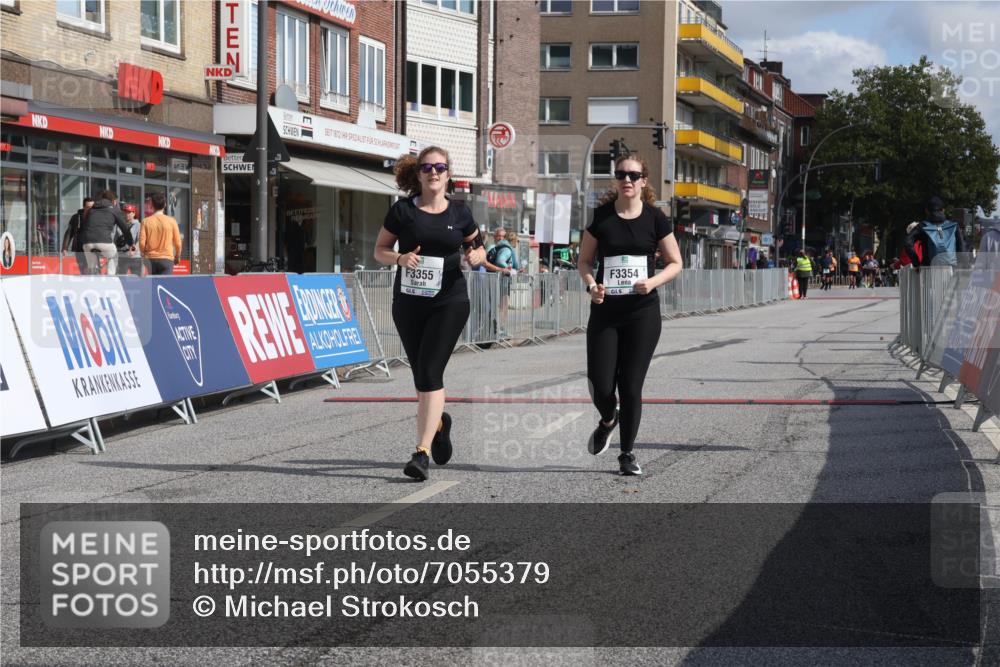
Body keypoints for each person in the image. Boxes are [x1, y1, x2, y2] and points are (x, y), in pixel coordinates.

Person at [374, 146, 486, 481]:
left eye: (439, 167)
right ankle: (439, 424)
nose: (433, 172)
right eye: (427, 168)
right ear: (418, 174)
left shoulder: (460, 212)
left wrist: (477, 256)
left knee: (430, 373)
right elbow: (379, 250)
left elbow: (477, 246)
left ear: (448, 173)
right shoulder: (402, 211)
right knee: (421, 377)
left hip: (449, 302)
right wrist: (399, 258)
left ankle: (421, 453)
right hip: (408, 303)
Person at [578, 154, 683, 476]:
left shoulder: (655, 218)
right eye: (622, 174)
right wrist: (592, 286)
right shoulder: (602, 217)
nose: (627, 179)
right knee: (601, 384)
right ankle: (608, 419)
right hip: (606, 312)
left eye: (634, 175)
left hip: (642, 313)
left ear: (643, 181)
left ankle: (627, 453)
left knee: (631, 385)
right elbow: (584, 261)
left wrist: (652, 282)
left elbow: (676, 263)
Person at [905, 196, 968, 268]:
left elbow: (907, 243)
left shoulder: (922, 226)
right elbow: (962, 247)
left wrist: (916, 263)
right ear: (943, 210)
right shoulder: (953, 226)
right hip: (950, 269)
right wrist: (962, 266)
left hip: (929, 269)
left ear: (926, 211)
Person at [79, 190, 132, 275]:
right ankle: (110, 276)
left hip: (87, 243)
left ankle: (92, 274)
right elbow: (125, 229)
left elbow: (85, 226)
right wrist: (131, 244)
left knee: (92, 269)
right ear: (113, 201)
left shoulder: (91, 209)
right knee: (113, 255)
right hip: (104, 242)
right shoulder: (114, 210)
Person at [139, 192, 182, 275]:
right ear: (165, 205)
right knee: (164, 283)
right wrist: (177, 256)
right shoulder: (172, 221)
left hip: (150, 259)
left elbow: (142, 243)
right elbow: (178, 243)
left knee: (151, 283)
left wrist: (143, 254)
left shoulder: (145, 221)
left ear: (152, 205)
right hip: (166, 259)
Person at [61, 197, 94, 274]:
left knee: (92, 270)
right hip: (79, 248)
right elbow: (69, 232)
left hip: (92, 248)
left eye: (92, 207)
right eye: (88, 207)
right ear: (84, 207)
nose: (91, 209)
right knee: (84, 270)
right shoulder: (76, 217)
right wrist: (65, 247)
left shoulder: (96, 217)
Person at [115, 204, 143, 276]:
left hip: (135, 257)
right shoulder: (118, 225)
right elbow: (115, 239)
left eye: (129, 212)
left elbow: (140, 240)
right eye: (125, 212)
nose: (126, 214)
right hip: (122, 256)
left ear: (134, 213)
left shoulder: (139, 225)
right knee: (121, 278)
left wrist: (134, 250)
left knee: (137, 279)